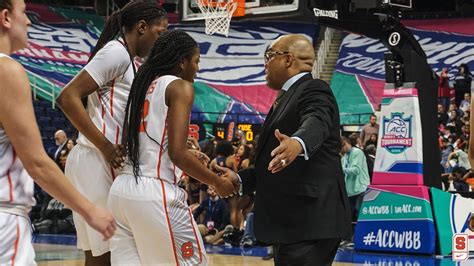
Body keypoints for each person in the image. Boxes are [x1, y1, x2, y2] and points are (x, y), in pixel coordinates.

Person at [0, 1, 116, 264]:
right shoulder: (6, 70)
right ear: (6, 17)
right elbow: (38, 163)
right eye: (23, 13)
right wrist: (89, 210)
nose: (29, 21)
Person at [108, 29, 237, 265]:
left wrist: (188, 154)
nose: (197, 68)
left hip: (121, 192)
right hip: (154, 193)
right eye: (196, 61)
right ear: (182, 62)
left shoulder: (142, 84)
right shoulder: (180, 87)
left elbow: (135, 141)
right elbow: (177, 154)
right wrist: (217, 182)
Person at [221, 34, 351, 265]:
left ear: (288, 59)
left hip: (309, 222)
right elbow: (271, 164)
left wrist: (298, 142)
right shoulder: (287, 96)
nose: (265, 64)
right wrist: (240, 180)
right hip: (293, 223)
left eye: (269, 56)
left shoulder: (314, 88)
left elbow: (317, 119)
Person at [56, 1, 168, 264]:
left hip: (94, 160)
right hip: (96, 159)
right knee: (107, 256)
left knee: (98, 256)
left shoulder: (129, 60)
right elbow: (67, 97)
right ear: (142, 27)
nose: (161, 41)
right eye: (159, 33)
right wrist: (106, 146)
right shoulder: (116, 52)